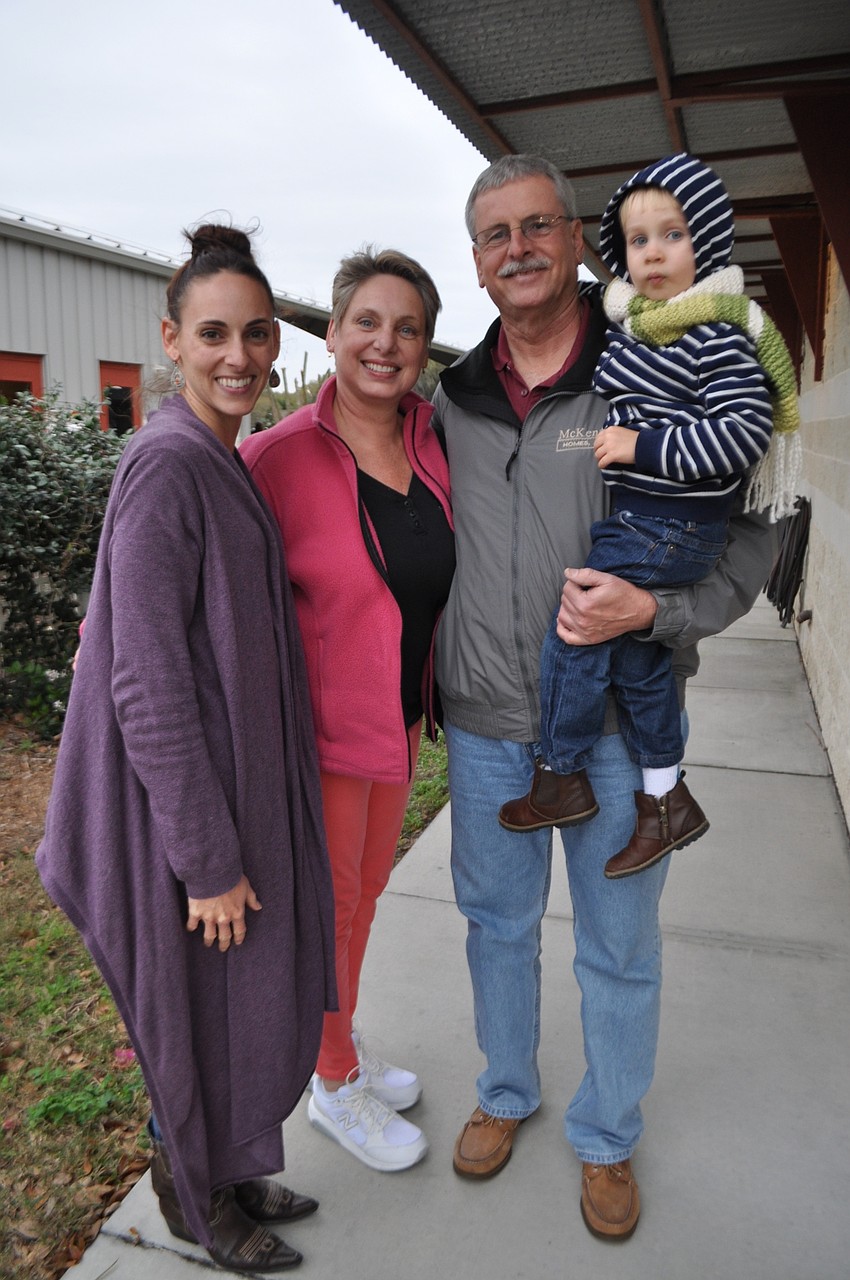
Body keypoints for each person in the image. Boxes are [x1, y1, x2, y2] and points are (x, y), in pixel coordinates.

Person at [432, 155, 775, 1239]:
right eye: (496, 234)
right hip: (488, 720)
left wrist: (655, 611)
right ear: (476, 262)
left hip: (621, 726)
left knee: (618, 943)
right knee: (496, 925)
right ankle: (504, 1090)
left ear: (578, 238)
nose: (519, 248)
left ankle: (607, 1133)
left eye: (538, 225)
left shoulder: (652, 357)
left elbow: (753, 536)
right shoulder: (452, 398)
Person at [36, 225, 336, 1273]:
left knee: (234, 1009)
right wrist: (205, 860)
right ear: (171, 340)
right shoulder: (167, 463)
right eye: (213, 334)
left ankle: (234, 1165)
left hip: (233, 788)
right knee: (195, 1016)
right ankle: (192, 1195)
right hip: (186, 815)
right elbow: (147, 679)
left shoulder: (220, 453)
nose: (238, 356)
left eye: (256, 333)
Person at [498, 153, 800, 879]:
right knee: (638, 661)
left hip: (670, 526)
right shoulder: (642, 325)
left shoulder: (718, 332)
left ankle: (561, 774)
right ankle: (666, 800)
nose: (654, 253)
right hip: (648, 520)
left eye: (673, 234)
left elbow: (742, 435)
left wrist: (643, 445)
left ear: (709, 241)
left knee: (576, 626)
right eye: (638, 240)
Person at [241, 248, 454, 1173]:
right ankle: (331, 1084)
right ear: (331, 334)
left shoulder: (431, 440)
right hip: (322, 739)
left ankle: (342, 1046)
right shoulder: (274, 458)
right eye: (366, 321)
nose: (385, 343)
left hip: (398, 720)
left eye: (407, 328)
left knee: (364, 898)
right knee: (330, 911)